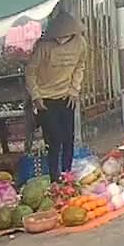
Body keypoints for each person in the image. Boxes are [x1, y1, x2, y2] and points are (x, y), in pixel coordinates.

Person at [25, 12, 88, 183]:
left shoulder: (80, 44)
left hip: (67, 97)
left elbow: (80, 66)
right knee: (54, 140)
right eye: (58, 37)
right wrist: (36, 96)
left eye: (65, 36)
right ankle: (54, 178)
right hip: (46, 100)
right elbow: (30, 72)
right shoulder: (43, 47)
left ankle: (67, 175)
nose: (61, 39)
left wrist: (74, 89)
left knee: (68, 138)